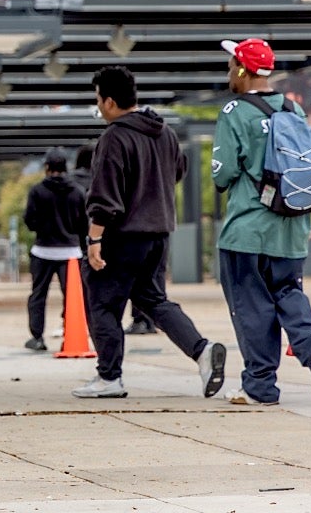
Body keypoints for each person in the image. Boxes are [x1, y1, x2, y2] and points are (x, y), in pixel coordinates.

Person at [74, 65, 225, 400]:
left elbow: (105, 195)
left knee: (102, 304)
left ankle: (109, 378)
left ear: (110, 101)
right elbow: (179, 170)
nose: (99, 107)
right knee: (154, 300)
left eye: (99, 100)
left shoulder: (114, 136)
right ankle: (202, 351)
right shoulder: (164, 133)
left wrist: (95, 239)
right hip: (158, 235)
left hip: (121, 236)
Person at [212, 38, 311, 405]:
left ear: (241, 70)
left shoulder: (234, 111)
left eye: (230, 65)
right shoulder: (293, 110)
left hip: (248, 231)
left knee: (251, 304)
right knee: (288, 293)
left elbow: (223, 174)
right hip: (292, 227)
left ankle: (260, 386)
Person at [21, 148, 86, 352]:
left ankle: (37, 337)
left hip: (43, 250)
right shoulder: (77, 191)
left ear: (47, 168)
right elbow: (84, 223)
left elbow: (29, 220)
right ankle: (71, 332)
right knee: (72, 296)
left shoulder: (37, 191)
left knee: (38, 295)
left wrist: (42, 228)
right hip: (71, 252)